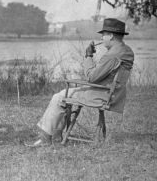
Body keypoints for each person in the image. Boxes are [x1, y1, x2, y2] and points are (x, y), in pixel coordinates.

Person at [27, 18, 135, 147]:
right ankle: (56, 135)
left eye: (103, 34)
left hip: (101, 95)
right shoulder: (126, 51)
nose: (101, 38)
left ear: (111, 35)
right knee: (64, 94)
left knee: (59, 97)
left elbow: (91, 78)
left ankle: (46, 138)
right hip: (114, 94)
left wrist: (88, 56)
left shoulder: (112, 55)